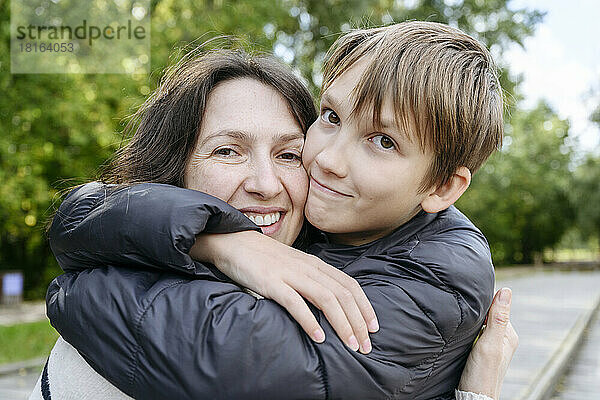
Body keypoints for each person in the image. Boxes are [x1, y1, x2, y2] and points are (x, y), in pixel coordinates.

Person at [37, 21, 516, 399]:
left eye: (383, 141)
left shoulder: (439, 270)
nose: (324, 159)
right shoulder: (330, 223)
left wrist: (77, 284)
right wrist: (219, 240)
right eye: (330, 117)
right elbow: (84, 215)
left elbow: (233, 362)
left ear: (441, 186)